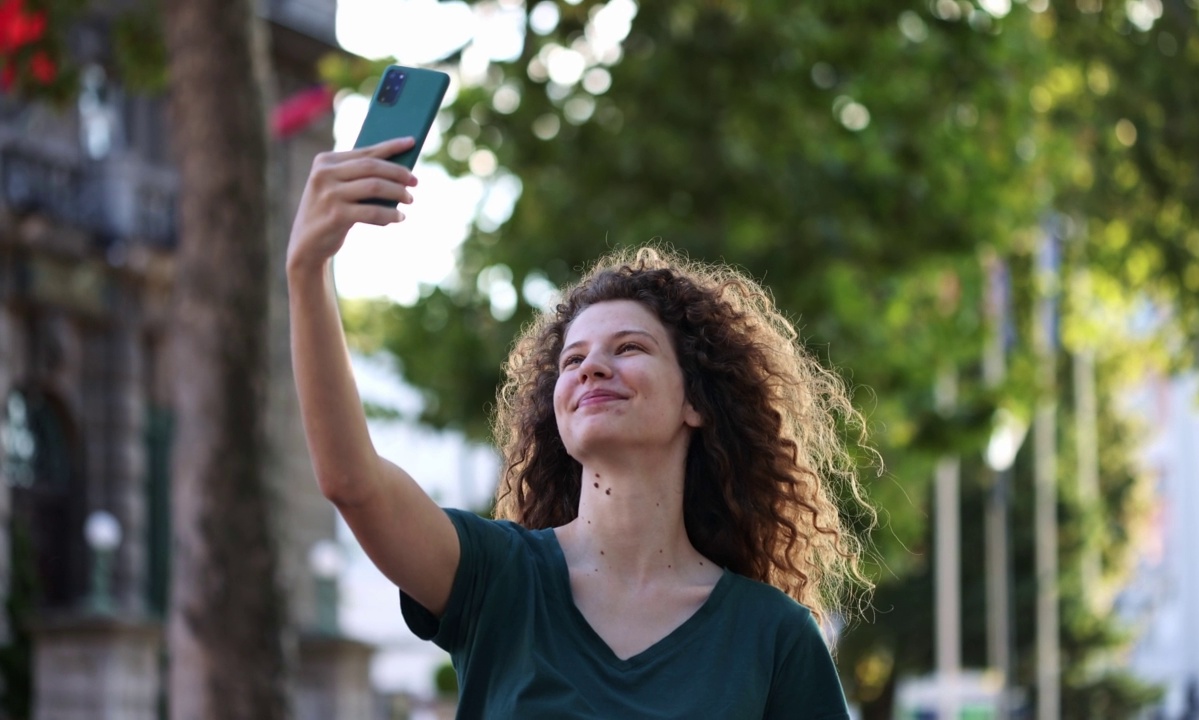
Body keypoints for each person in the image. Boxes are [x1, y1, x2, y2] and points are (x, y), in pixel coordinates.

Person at [287, 137, 875, 718]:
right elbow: (351, 481)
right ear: (558, 413)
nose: (592, 366)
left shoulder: (773, 635)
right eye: (573, 360)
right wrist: (308, 271)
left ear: (695, 401)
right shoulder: (496, 577)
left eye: (629, 347)